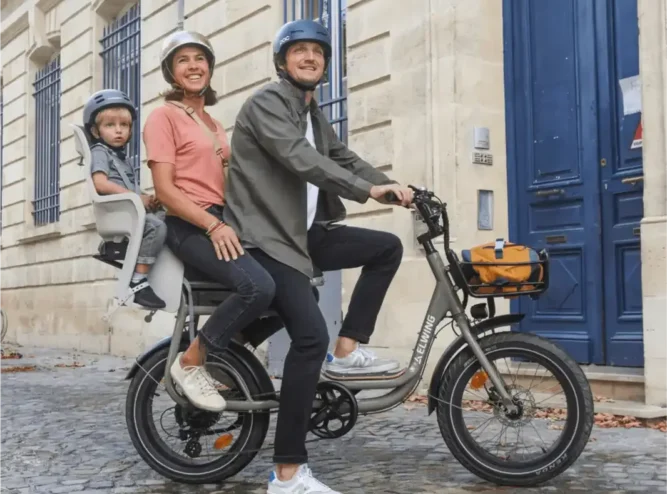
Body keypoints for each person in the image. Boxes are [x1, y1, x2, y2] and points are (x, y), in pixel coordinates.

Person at [222, 19, 414, 494]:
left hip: (302, 235)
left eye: (318, 52)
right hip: (266, 239)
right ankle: (286, 475)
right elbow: (299, 159)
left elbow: (343, 157)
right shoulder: (268, 103)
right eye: (300, 50)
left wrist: (399, 187)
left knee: (386, 247)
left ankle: (347, 352)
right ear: (282, 60)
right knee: (309, 339)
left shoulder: (312, 112)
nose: (310, 58)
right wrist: (367, 190)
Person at [142, 31, 276, 413]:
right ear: (171, 72)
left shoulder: (214, 124)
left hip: (222, 219)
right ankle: (190, 361)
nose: (193, 66)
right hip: (189, 225)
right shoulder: (163, 116)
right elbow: (166, 191)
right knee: (256, 287)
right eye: (182, 60)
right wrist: (213, 226)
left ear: (210, 67)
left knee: (296, 292)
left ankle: (223, 352)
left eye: (200, 59)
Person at [83, 89, 167, 310]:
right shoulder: (100, 151)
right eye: (110, 125)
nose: (118, 130)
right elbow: (100, 183)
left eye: (124, 125)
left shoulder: (122, 158)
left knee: (168, 217)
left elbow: (130, 188)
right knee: (156, 226)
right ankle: (138, 281)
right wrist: (136, 198)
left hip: (129, 210)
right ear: (95, 130)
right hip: (117, 214)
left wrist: (149, 198)